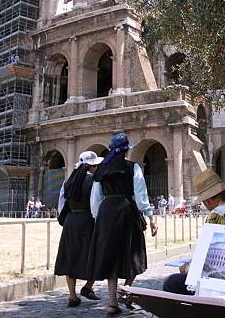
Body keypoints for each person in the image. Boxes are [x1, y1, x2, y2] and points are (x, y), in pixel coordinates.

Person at [87, 133, 158, 316]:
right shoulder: (132, 167)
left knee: (111, 256)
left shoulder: (101, 169)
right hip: (127, 210)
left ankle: (112, 302)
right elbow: (140, 194)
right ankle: (125, 291)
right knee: (134, 253)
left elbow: (95, 198)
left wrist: (98, 218)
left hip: (106, 213)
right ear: (126, 150)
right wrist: (150, 216)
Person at [55, 151, 104, 307]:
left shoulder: (67, 182)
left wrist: (64, 220)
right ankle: (88, 287)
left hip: (71, 221)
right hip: (88, 221)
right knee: (96, 256)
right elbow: (97, 203)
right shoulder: (95, 182)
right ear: (92, 165)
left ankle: (72, 296)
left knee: (71, 257)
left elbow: (61, 204)